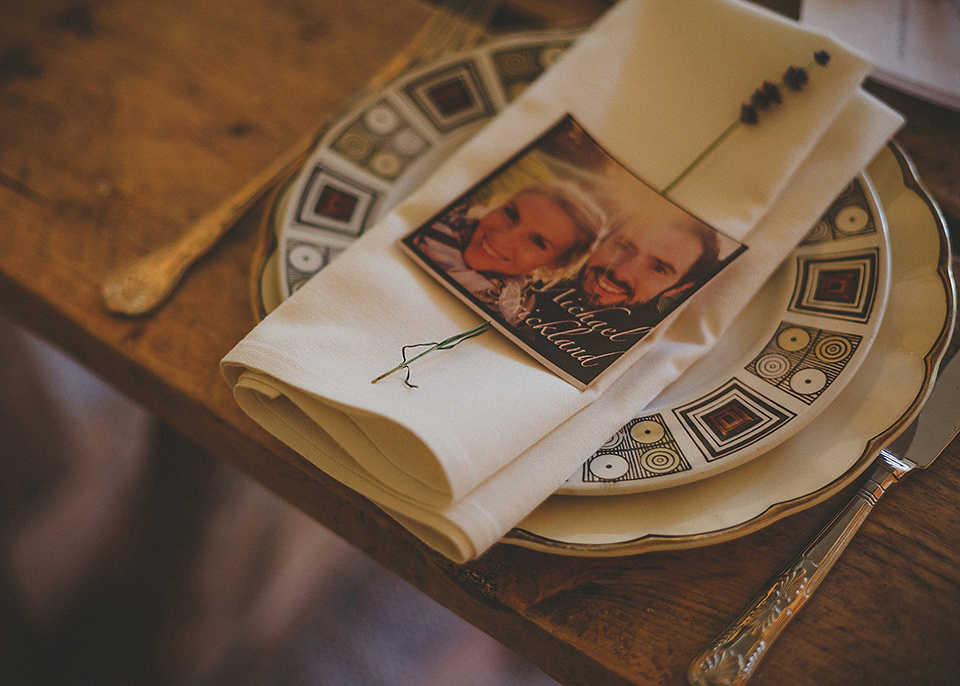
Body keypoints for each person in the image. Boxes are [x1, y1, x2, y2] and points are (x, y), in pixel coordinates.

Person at [411, 181, 606, 324]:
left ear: (557, 263)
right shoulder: (425, 220)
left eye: (537, 242)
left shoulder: (513, 316)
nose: (501, 239)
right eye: (510, 213)